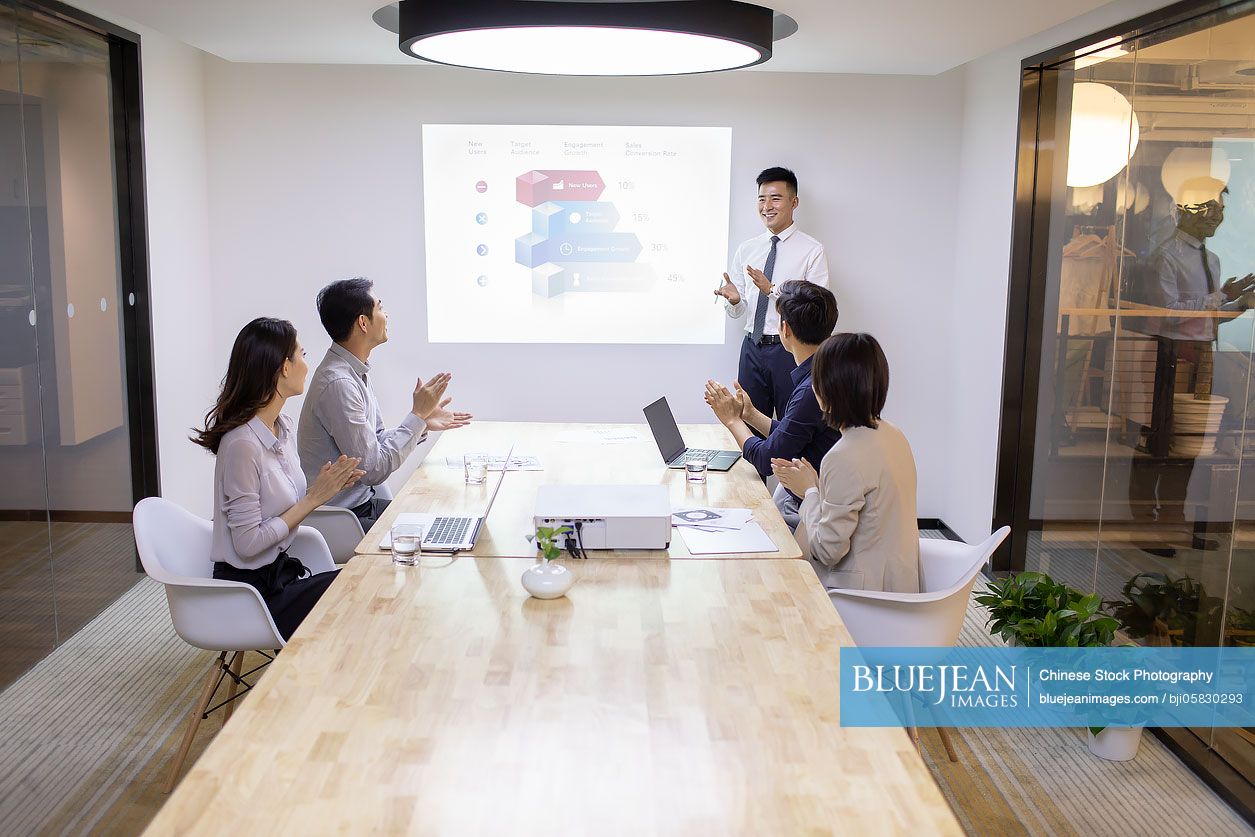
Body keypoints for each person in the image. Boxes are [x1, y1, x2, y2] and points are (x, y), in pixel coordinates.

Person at [192, 318, 364, 640]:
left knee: (365, 581)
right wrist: (313, 499)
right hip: (251, 595)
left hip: (280, 576)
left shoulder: (281, 427)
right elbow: (247, 544)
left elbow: (281, 512)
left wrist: (325, 489)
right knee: (360, 589)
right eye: (301, 354)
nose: (305, 363)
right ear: (283, 367)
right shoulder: (242, 444)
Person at [298, 277, 472, 530]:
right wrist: (417, 416)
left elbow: (375, 445)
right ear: (363, 323)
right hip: (347, 519)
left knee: (446, 512)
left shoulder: (352, 371)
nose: (386, 314)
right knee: (431, 528)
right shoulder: (339, 384)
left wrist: (421, 423)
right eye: (380, 307)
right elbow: (374, 469)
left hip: (364, 505)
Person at [772, 333, 920, 594]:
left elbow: (827, 551)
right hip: (899, 585)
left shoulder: (842, 456)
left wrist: (809, 491)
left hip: (860, 596)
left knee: (777, 547)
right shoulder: (894, 434)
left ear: (823, 390)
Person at [703, 280, 840, 529]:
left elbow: (768, 459)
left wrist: (733, 420)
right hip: (819, 499)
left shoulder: (811, 389)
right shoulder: (824, 373)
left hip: (816, 511)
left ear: (784, 330)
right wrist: (752, 415)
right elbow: (793, 437)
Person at [714, 166, 830, 421]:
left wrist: (773, 290)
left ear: (794, 202)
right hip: (751, 349)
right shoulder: (747, 249)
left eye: (775, 198)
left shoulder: (812, 250)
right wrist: (734, 301)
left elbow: (818, 309)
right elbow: (739, 312)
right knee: (750, 423)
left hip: (791, 351)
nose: (767, 206)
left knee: (793, 428)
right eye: (761, 198)